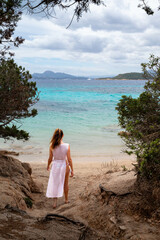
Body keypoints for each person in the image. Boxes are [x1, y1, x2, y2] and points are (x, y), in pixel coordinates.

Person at [46, 128, 74, 208]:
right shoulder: (67, 146)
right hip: (64, 165)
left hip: (55, 165)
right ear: (63, 136)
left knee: (55, 183)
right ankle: (66, 200)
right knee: (65, 183)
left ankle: (54, 203)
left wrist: (48, 165)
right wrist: (72, 170)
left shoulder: (52, 146)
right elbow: (69, 159)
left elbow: (50, 158)